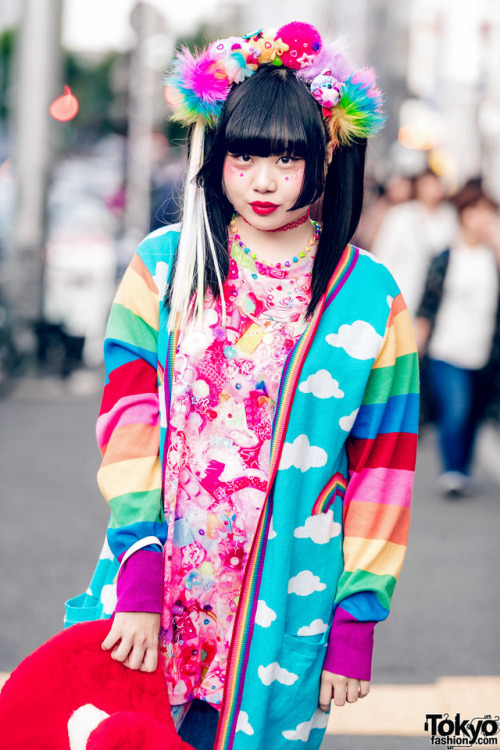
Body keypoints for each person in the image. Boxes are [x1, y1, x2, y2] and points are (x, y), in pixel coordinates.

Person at [94, 22, 419, 750]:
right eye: (244, 157)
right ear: (215, 153)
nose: (264, 182)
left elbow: (383, 468)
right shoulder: (166, 264)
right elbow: (129, 424)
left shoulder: (370, 297)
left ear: (328, 157)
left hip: (285, 603)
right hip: (162, 585)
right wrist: (139, 575)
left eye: (287, 158)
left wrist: (356, 619)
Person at [415, 180, 500, 496]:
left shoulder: (493, 257)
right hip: (446, 350)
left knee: (475, 414)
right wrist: (416, 348)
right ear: (463, 214)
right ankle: (451, 471)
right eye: (476, 211)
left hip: (484, 353)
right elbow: (427, 304)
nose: (482, 219)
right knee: (456, 409)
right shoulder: (447, 257)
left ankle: (462, 468)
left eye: (488, 213)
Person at [371, 168, 457, 317]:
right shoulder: (401, 216)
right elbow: (383, 254)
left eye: (436, 183)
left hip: (434, 303)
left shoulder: (449, 218)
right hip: (400, 294)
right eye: (428, 184)